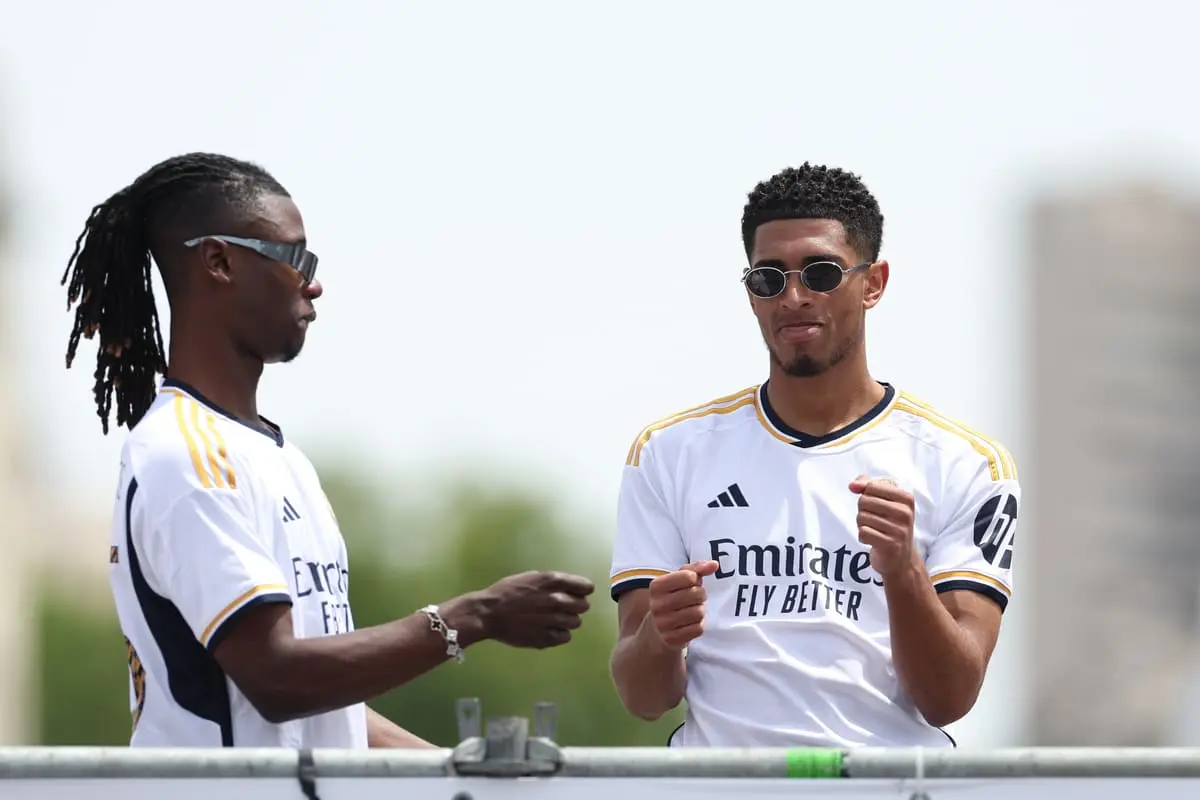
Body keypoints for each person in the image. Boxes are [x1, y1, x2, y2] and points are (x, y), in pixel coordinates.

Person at [62, 152, 595, 748]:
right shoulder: (184, 455)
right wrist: (476, 616)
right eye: (295, 257)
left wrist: (453, 769)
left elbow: (329, 710)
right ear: (219, 261)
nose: (313, 282)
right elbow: (278, 678)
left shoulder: (280, 458)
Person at [608, 163, 1020, 748]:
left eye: (821, 273)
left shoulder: (964, 462)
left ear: (873, 282)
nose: (794, 297)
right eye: (769, 278)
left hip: (889, 789)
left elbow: (949, 699)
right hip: (719, 791)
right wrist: (661, 636)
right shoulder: (669, 451)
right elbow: (642, 697)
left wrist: (903, 571)